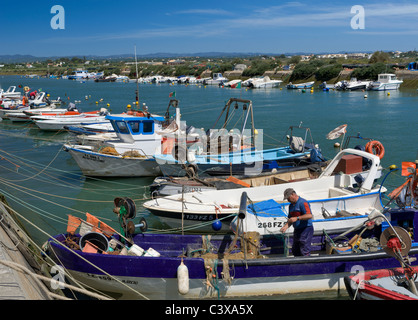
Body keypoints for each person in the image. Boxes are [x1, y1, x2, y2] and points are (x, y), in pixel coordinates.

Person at [280, 188, 314, 256]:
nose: (288, 200)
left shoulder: (303, 202)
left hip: (306, 229)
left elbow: (309, 215)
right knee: (295, 250)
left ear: (293, 194)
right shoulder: (291, 206)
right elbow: (290, 219)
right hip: (297, 230)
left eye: (288, 198)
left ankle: (306, 264)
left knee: (304, 249)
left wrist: (297, 218)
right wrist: (286, 226)